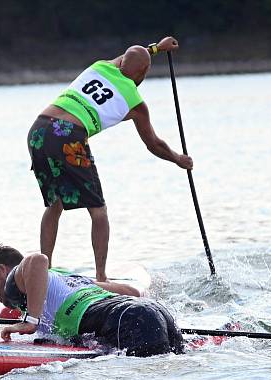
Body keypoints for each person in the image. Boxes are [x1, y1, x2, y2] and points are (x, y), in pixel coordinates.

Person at [28, 37, 193, 282]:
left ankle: (44, 267)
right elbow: (154, 144)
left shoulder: (102, 66)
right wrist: (178, 158)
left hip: (38, 129)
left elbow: (131, 57)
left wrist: (157, 48)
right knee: (98, 210)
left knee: (55, 204)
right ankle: (101, 277)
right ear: (144, 72)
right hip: (68, 135)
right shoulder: (136, 103)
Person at [0, 245, 184, 356]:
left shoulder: (13, 282)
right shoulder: (68, 278)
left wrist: (31, 322)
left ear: (3, 271)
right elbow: (132, 291)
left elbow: (38, 259)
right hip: (154, 313)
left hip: (126, 319)